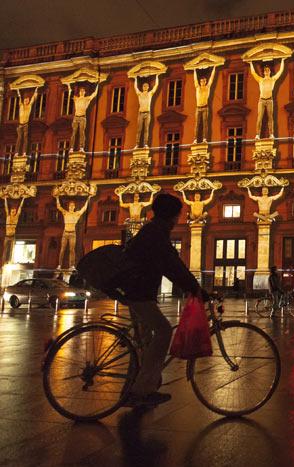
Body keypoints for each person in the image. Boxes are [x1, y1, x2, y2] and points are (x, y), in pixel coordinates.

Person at [122, 193, 209, 407]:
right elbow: (173, 266)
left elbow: (171, 265)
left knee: (144, 343)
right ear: (171, 215)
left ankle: (132, 390)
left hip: (135, 290)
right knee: (162, 332)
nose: (179, 218)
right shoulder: (156, 234)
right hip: (138, 292)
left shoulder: (152, 231)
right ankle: (142, 390)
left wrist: (191, 287)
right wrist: (195, 288)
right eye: (178, 214)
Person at [249, 59, 285, 139]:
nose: (266, 72)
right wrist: (251, 63)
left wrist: (282, 60)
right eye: (265, 71)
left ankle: (271, 134)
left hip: (269, 100)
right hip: (261, 100)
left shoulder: (273, 79)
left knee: (270, 117)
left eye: (268, 70)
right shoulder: (260, 80)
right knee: (259, 118)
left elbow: (280, 71)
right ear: (264, 72)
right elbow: (253, 73)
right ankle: (257, 134)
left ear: (270, 72)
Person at [70, 84, 99, 151]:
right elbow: (70, 93)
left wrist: (98, 85)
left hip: (82, 117)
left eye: (83, 91)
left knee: (82, 133)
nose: (82, 92)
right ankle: (71, 148)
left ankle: (81, 147)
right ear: (79, 92)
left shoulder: (87, 99)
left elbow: (94, 94)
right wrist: (69, 86)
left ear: (84, 92)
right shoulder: (76, 99)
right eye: (81, 91)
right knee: (74, 133)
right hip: (76, 117)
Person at [134, 78, 159, 148]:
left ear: (148, 87)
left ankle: (145, 144)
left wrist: (157, 76)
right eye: (143, 86)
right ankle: (137, 144)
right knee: (139, 129)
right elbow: (135, 87)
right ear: (142, 87)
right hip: (141, 113)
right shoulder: (139, 94)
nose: (145, 87)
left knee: (146, 129)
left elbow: (156, 86)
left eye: (146, 86)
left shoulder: (150, 94)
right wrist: (135, 78)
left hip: (147, 113)